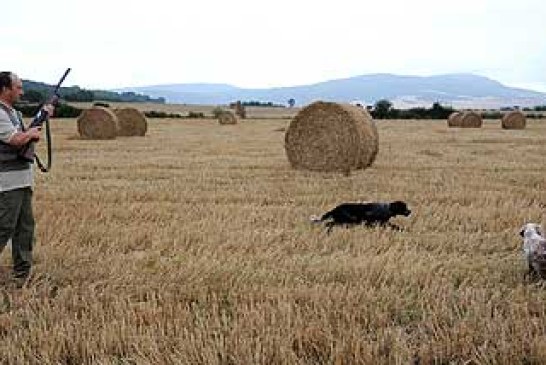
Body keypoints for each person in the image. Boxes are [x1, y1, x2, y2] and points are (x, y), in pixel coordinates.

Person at [0, 71, 54, 284]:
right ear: (5, 89)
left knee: (25, 229)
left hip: (21, 179)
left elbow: (26, 140)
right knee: (4, 227)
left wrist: (41, 119)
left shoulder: (13, 113)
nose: (21, 92)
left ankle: (21, 275)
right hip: (6, 183)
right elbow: (15, 139)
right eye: (18, 88)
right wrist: (31, 132)